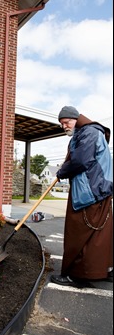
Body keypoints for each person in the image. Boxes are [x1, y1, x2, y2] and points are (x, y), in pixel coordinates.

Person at [51, 106, 113, 286]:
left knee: (80, 232)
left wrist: (62, 172)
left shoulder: (89, 133)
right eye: (62, 123)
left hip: (91, 192)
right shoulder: (89, 133)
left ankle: (77, 275)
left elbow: (80, 161)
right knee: (100, 235)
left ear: (76, 118)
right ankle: (105, 269)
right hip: (100, 190)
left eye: (66, 122)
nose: (64, 126)